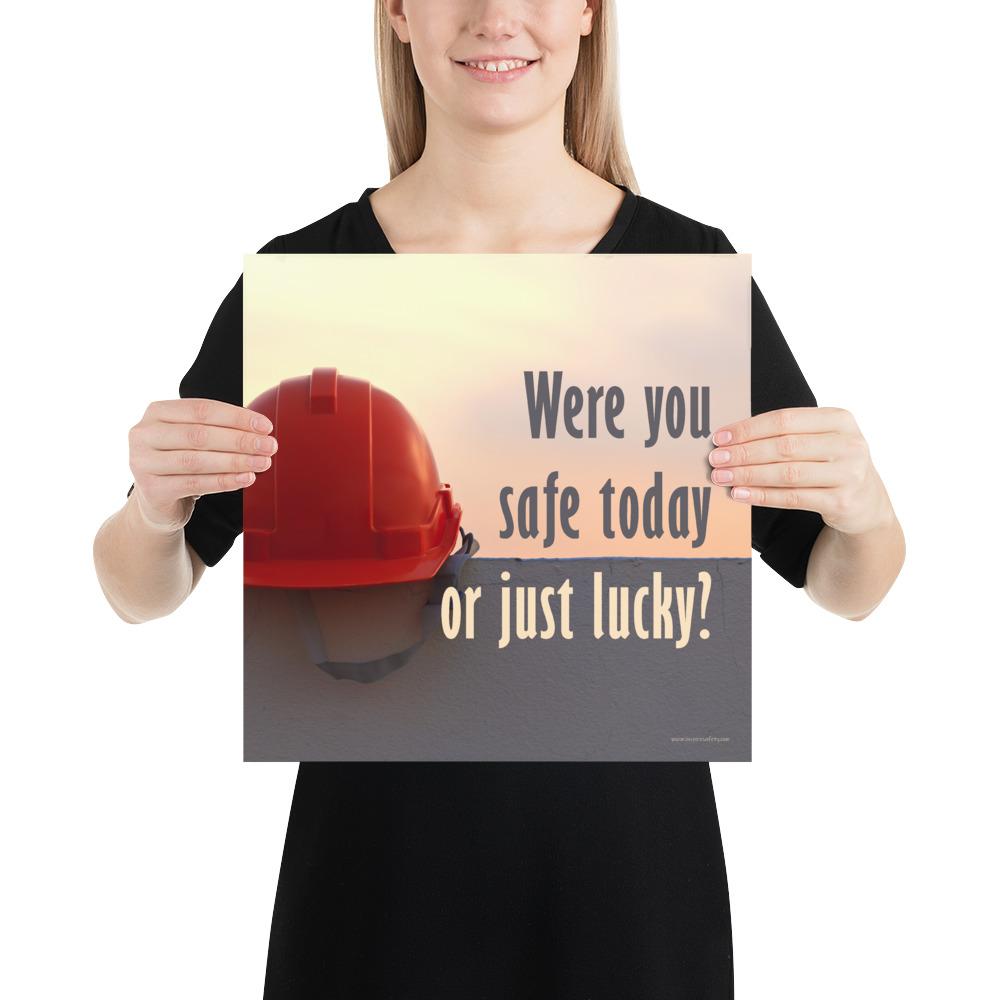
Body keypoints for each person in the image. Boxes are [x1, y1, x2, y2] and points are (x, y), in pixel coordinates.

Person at [92, 1, 905, 995]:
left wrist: (863, 505)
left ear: (587, 14)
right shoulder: (306, 281)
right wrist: (154, 509)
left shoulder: (685, 276)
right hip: (373, 903)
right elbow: (140, 589)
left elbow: (843, 580)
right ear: (396, 11)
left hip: (632, 906)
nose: (494, 16)